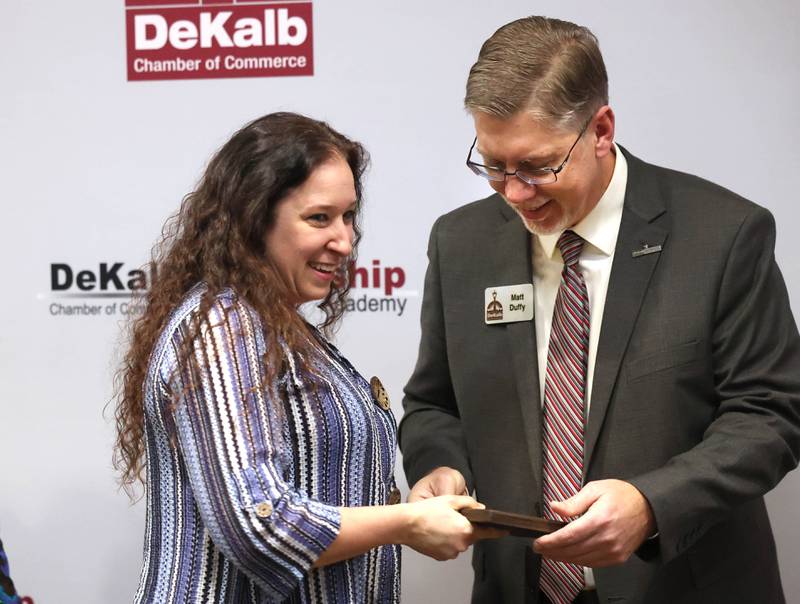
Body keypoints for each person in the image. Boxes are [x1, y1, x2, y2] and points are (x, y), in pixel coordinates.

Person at [399, 15, 800, 604]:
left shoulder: (721, 234)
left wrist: (651, 504)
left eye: (537, 166)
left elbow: (771, 412)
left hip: (681, 587)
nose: (514, 193)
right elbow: (434, 404)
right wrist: (441, 468)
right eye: (493, 165)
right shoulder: (461, 243)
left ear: (601, 130)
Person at [113, 112, 498, 604]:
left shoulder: (276, 325)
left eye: (348, 216)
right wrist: (405, 522)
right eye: (319, 218)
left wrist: (424, 496)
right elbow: (259, 526)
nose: (345, 241)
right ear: (253, 218)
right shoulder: (222, 326)